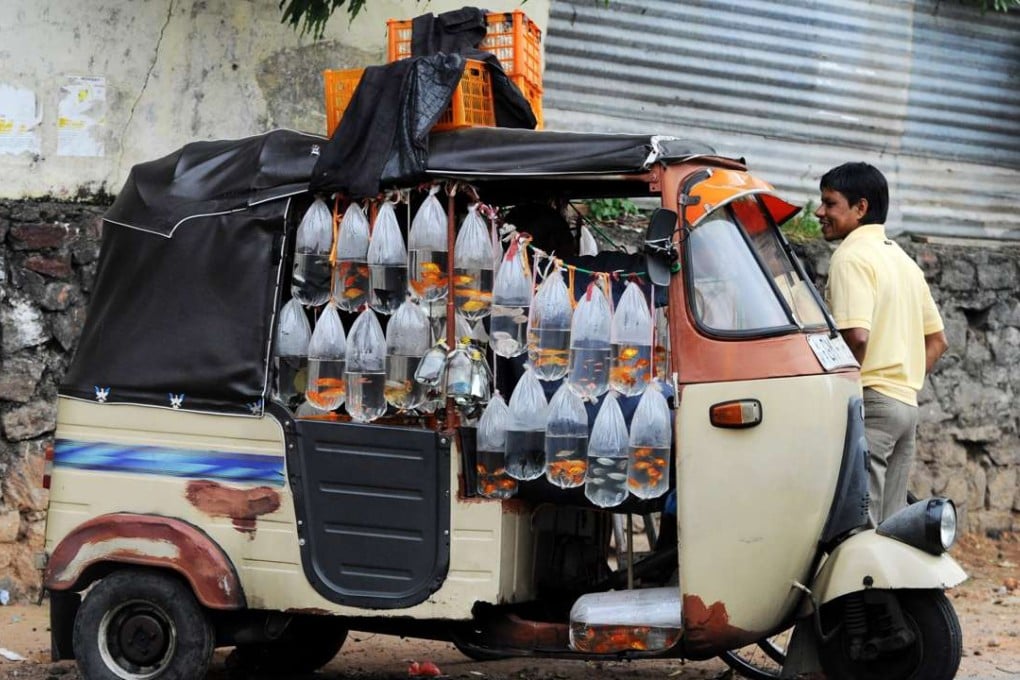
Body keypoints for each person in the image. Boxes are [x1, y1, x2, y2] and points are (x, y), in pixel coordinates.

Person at [816, 162, 948, 526]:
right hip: (905, 407)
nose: (819, 212)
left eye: (829, 204)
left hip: (872, 402)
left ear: (860, 208)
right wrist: (902, 384)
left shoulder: (850, 258)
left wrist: (842, 390)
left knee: (862, 527)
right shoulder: (903, 262)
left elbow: (857, 336)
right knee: (891, 529)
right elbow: (937, 340)